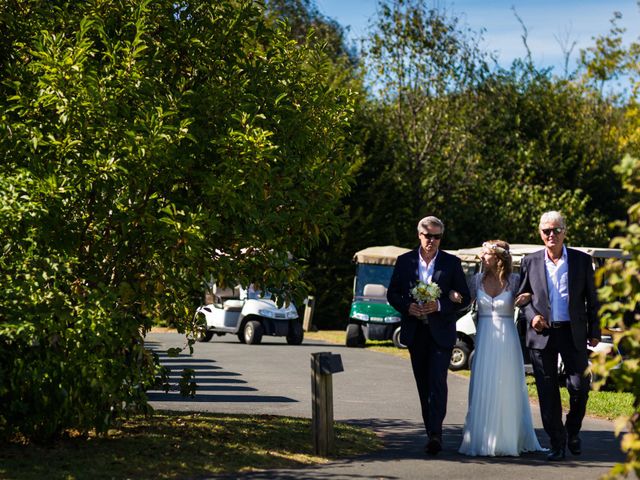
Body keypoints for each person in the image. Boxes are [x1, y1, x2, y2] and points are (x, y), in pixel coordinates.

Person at [517, 211, 601, 461]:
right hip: (542, 334)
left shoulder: (581, 260)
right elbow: (524, 298)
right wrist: (532, 315)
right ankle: (557, 442)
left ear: (565, 231)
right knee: (546, 390)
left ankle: (572, 431)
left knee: (580, 386)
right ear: (540, 233)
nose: (551, 235)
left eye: (556, 230)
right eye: (546, 231)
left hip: (573, 332)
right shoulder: (530, 261)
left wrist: (595, 330)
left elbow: (592, 299)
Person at [387, 215, 470, 455]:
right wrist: (407, 307)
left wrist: (441, 305)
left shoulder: (451, 263)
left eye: (436, 236)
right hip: (415, 331)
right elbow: (393, 294)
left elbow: (464, 297)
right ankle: (430, 429)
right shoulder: (404, 261)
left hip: (441, 333)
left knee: (437, 382)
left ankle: (436, 433)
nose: (431, 240)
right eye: (427, 235)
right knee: (423, 384)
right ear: (419, 235)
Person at [456, 240, 545, 457]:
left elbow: (534, 297)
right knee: (484, 382)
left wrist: (528, 297)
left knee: (507, 384)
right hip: (486, 337)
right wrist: (455, 297)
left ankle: (509, 436)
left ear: (498, 258)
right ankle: (483, 436)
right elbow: (462, 301)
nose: (482, 258)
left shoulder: (515, 281)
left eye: (485, 254)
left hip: (507, 338)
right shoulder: (476, 280)